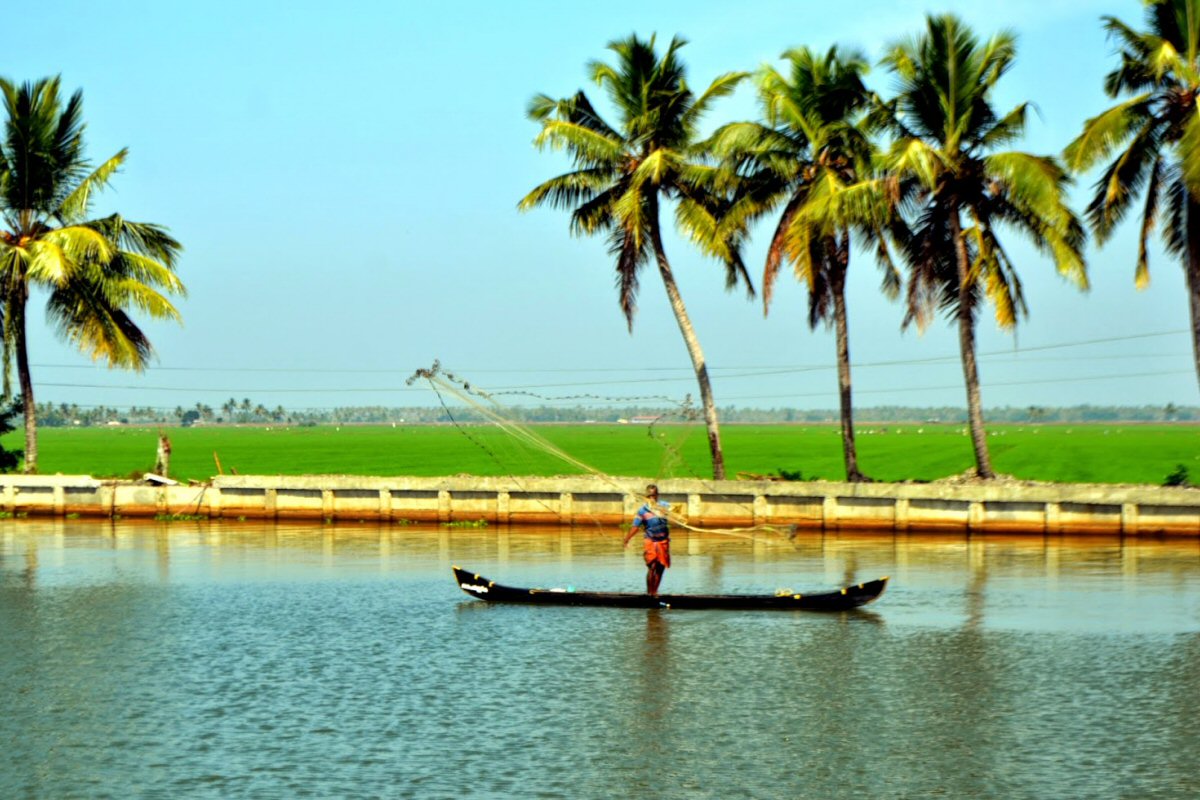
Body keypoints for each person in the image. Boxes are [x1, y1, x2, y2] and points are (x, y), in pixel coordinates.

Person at [623, 484, 670, 596]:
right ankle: (649, 593)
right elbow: (635, 527)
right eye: (649, 496)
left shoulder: (665, 506)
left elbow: (675, 514)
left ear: (657, 495)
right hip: (650, 541)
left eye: (654, 496)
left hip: (663, 541)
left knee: (661, 567)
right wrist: (627, 538)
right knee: (652, 566)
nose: (652, 498)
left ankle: (655, 592)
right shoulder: (642, 511)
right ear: (646, 496)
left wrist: (663, 510)